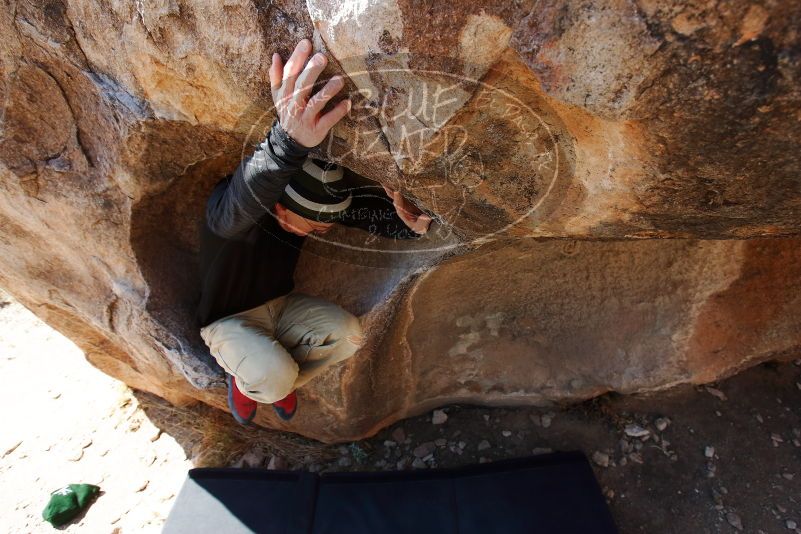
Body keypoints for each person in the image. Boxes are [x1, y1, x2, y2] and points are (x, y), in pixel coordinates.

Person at [197, 39, 434, 425]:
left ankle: (276, 379)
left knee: (349, 336)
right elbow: (243, 198)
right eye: (318, 223)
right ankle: (253, 382)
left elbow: (357, 214)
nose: (325, 230)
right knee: (273, 379)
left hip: (282, 308)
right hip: (228, 323)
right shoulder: (231, 218)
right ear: (280, 205)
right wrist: (286, 141)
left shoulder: (303, 211)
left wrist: (411, 225)